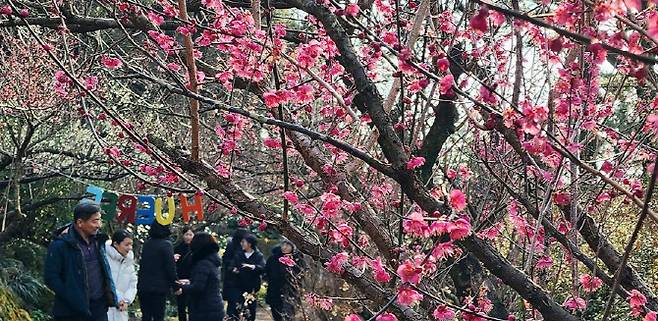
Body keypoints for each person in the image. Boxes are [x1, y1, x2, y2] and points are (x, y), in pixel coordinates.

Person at [44, 202, 118, 321]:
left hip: (99, 308)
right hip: (70, 312)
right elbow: (51, 277)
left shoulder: (99, 241)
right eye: (94, 221)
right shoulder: (61, 245)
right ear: (80, 223)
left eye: (99, 220)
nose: (99, 225)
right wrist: (71, 296)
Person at [176, 232, 225, 321]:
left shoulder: (203, 264)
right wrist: (188, 282)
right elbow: (205, 281)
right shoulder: (211, 261)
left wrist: (180, 286)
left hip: (205, 309)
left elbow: (198, 287)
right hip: (212, 306)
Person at [137, 221, 179, 321]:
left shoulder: (147, 244)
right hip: (159, 288)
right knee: (158, 317)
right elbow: (170, 268)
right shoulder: (166, 244)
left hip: (144, 286)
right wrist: (176, 286)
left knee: (146, 316)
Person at [227, 234, 265, 321]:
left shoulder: (258, 256)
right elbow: (230, 267)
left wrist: (252, 266)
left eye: (244, 242)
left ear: (250, 244)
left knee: (250, 310)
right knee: (237, 308)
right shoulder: (239, 255)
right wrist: (234, 269)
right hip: (238, 286)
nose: (242, 244)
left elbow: (262, 268)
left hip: (252, 288)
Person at [265, 240, 304, 321]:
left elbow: (301, 274)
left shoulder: (298, 258)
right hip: (275, 291)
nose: (285, 247)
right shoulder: (273, 258)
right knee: (277, 316)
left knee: (288, 316)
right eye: (283, 244)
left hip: (291, 292)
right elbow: (266, 273)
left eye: (288, 245)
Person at [106, 230, 138, 321]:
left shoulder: (129, 261)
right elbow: (106, 281)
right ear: (116, 244)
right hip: (106, 307)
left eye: (131, 244)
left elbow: (133, 283)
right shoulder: (105, 258)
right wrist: (118, 298)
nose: (130, 248)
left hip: (121, 309)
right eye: (126, 245)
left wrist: (126, 300)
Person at [222, 228, 248, 316]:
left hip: (242, 278)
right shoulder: (232, 246)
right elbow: (226, 260)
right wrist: (233, 267)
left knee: (240, 304)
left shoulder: (246, 246)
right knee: (233, 304)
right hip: (232, 279)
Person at [174, 226, 195, 321]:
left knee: (192, 306)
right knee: (181, 306)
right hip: (180, 280)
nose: (188, 237)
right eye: (186, 234)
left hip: (192, 280)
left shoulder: (197, 248)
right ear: (183, 235)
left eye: (190, 234)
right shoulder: (177, 248)